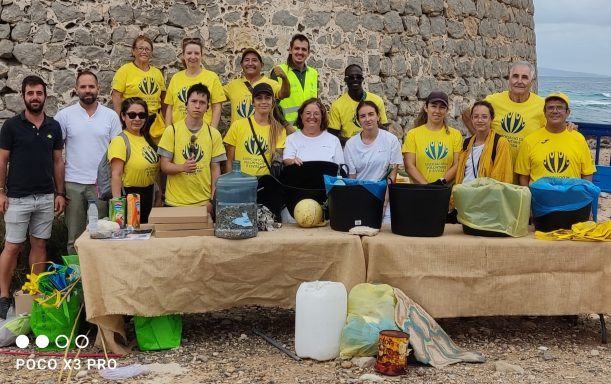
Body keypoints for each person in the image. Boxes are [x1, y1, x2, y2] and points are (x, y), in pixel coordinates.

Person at [0, 76, 65, 319]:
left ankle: (34, 290)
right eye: (30, 93)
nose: (35, 97)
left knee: (39, 244)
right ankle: (3, 296)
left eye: (39, 93)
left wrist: (60, 193)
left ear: (45, 96)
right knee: (12, 246)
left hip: (46, 196)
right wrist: (1, 192)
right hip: (17, 197)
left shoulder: (54, 127)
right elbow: (2, 160)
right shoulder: (11, 126)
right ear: (23, 96)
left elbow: (58, 161)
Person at [55, 70, 122, 255]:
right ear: (76, 89)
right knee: (74, 237)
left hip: (100, 186)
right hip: (73, 184)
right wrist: (59, 189)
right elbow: (56, 154)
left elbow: (117, 152)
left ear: (98, 89)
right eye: (83, 87)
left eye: (91, 86)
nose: (87, 90)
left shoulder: (110, 116)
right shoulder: (64, 116)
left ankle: (98, 278)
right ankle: (76, 280)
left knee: (101, 234)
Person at [158, 84, 226, 210]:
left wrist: (212, 200)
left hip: (203, 203)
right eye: (194, 101)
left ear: (207, 108)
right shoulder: (172, 131)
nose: (197, 106)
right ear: (186, 104)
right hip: (174, 202)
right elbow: (164, 166)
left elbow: (215, 170)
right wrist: (182, 167)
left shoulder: (213, 134)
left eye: (202, 102)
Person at [461, 61, 545, 161]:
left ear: (531, 82)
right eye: (515, 76)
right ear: (509, 79)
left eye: (525, 77)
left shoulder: (542, 105)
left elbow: (554, 130)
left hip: (526, 169)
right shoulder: (493, 101)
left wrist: (568, 127)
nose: (519, 81)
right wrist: (482, 141)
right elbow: (467, 115)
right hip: (496, 167)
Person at [515, 93, 596, 185]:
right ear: (544, 112)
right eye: (550, 107)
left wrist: (583, 195)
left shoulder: (579, 139)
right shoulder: (529, 140)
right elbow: (523, 176)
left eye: (560, 107)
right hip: (539, 198)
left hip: (571, 197)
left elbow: (587, 173)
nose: (555, 111)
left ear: (567, 112)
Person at [344, 100, 402, 223]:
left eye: (371, 114)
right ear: (358, 120)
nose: (367, 119)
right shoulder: (350, 145)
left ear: (378, 116)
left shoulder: (391, 141)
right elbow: (352, 180)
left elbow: (392, 178)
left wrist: (383, 206)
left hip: (384, 203)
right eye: (363, 116)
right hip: (361, 202)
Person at [108, 98, 160, 223]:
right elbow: (116, 175)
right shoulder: (120, 141)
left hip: (149, 194)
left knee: (147, 235)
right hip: (130, 197)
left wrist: (158, 194)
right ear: (123, 116)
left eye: (141, 115)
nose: (137, 119)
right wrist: (118, 210)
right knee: (132, 237)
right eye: (132, 115)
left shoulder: (147, 139)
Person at [111, 35, 167, 143]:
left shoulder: (157, 73)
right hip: (134, 121)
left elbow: (163, 98)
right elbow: (116, 96)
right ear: (133, 51)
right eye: (140, 48)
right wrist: (122, 121)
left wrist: (165, 120)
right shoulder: (125, 71)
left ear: (151, 53)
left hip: (155, 124)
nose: (144, 51)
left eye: (147, 49)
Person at [224, 83, 287, 176]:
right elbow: (230, 161)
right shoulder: (237, 125)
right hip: (241, 182)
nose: (263, 102)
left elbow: (277, 159)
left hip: (265, 183)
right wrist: (230, 185)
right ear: (253, 102)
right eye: (259, 98)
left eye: (267, 98)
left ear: (273, 102)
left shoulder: (279, 130)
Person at [164, 37, 226, 129]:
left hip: (203, 131)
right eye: (189, 53)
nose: (193, 57)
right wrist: (168, 129)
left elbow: (217, 106)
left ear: (201, 56)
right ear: (183, 56)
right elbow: (170, 107)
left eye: (196, 53)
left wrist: (212, 131)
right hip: (178, 131)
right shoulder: (176, 78)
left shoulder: (212, 77)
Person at [403, 91, 462, 185]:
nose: (437, 111)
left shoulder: (455, 135)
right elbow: (409, 166)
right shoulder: (413, 134)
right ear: (426, 108)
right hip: (421, 191)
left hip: (445, 191)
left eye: (442, 107)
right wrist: (428, 187)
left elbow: (458, 164)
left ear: (447, 110)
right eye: (433, 106)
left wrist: (440, 183)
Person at [224, 48, 290, 125]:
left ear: (262, 65)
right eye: (247, 60)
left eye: (254, 60)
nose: (250, 63)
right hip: (239, 134)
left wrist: (284, 79)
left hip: (263, 133)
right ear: (241, 65)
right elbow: (215, 96)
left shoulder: (271, 83)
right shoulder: (232, 85)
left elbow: (284, 94)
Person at [455, 101, 513, 185]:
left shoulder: (500, 143)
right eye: (476, 117)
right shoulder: (467, 143)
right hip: (464, 194)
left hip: (487, 195)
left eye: (484, 117)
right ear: (471, 119)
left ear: (491, 119)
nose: (479, 120)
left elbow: (502, 177)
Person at [329, 64, 388, 144]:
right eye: (351, 77)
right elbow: (333, 135)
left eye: (358, 77)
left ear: (362, 79)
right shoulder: (337, 106)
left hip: (374, 146)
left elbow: (384, 128)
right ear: (345, 80)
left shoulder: (377, 101)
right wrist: (355, 143)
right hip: (349, 149)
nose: (355, 79)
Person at [271, 34, 318, 127]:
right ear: (290, 50)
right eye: (297, 48)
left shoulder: (314, 73)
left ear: (308, 53)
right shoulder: (279, 71)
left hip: (308, 131)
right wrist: (285, 125)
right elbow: (272, 105)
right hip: (285, 132)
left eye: (304, 49)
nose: (300, 52)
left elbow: (317, 104)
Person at [283, 98, 344, 166]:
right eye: (308, 113)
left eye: (316, 113)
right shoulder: (291, 139)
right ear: (301, 115)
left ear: (322, 116)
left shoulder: (334, 140)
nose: (312, 117)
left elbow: (341, 169)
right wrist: (292, 162)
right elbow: (287, 160)